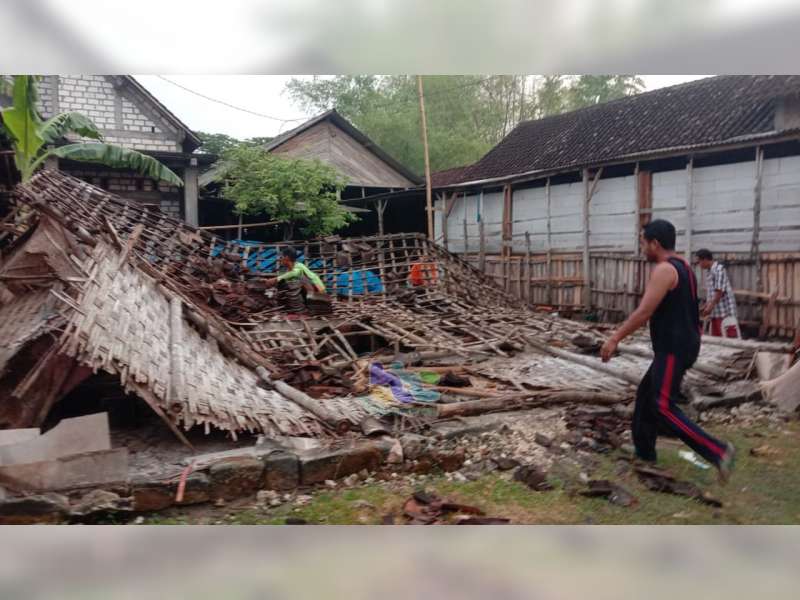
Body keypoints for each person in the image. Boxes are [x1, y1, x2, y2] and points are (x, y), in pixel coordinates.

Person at [600, 220, 736, 483]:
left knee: (663, 406)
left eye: (643, 243)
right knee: (646, 394)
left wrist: (614, 338)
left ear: (655, 244)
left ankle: (719, 451)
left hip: (674, 348)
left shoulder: (664, 270)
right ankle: (644, 451)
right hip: (681, 344)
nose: (642, 249)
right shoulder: (684, 265)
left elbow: (644, 312)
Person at [695, 248, 740, 338]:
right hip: (717, 312)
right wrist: (704, 307)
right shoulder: (710, 271)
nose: (699, 264)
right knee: (717, 338)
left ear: (705, 259)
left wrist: (709, 308)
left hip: (725, 311)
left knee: (728, 338)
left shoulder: (718, 270)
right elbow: (712, 294)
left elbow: (719, 292)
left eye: (699, 261)